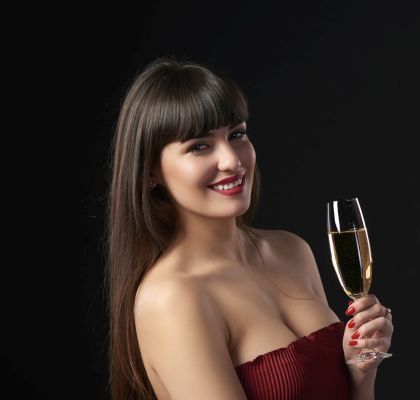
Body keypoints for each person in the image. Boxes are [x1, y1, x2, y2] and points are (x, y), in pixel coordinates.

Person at [105, 56, 394, 400]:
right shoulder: (173, 298)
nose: (232, 160)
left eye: (237, 134)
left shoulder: (291, 250)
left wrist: (361, 370)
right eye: (199, 146)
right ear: (150, 171)